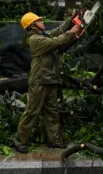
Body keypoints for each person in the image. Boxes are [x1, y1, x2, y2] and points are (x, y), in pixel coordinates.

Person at [14, 11, 80, 153]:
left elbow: (58, 31)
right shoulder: (35, 40)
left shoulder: (42, 35)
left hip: (49, 79)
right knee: (32, 111)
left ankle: (54, 141)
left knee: (52, 112)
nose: (42, 22)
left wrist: (70, 20)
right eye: (39, 21)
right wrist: (72, 32)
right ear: (32, 26)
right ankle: (20, 142)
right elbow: (55, 42)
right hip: (39, 81)